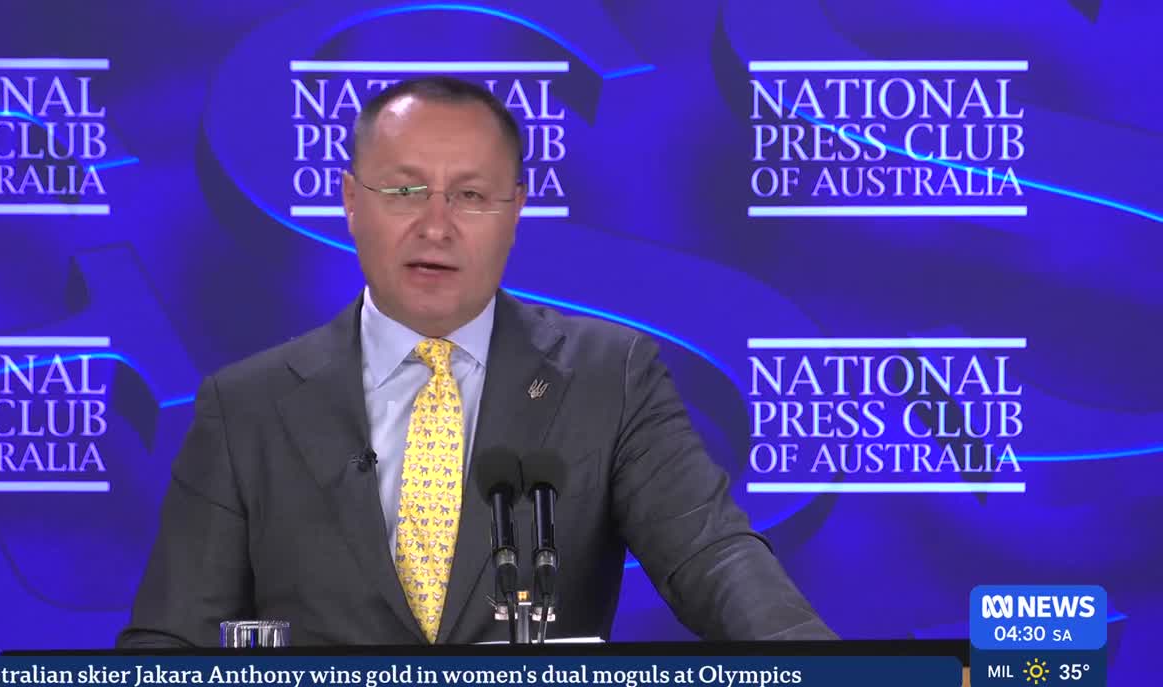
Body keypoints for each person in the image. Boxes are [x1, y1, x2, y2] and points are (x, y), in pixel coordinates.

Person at [117, 76, 835, 647]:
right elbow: (167, 647)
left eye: (469, 196)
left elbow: (713, 559)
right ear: (349, 202)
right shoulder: (246, 409)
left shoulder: (610, 377)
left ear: (514, 210)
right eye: (403, 191)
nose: (435, 224)